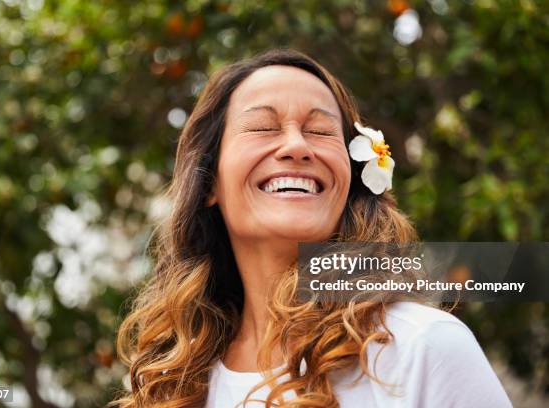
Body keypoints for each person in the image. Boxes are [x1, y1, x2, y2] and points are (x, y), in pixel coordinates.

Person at [112, 48, 512, 407]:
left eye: (320, 131)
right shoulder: (169, 384)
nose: (297, 146)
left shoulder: (423, 346)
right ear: (210, 182)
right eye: (262, 127)